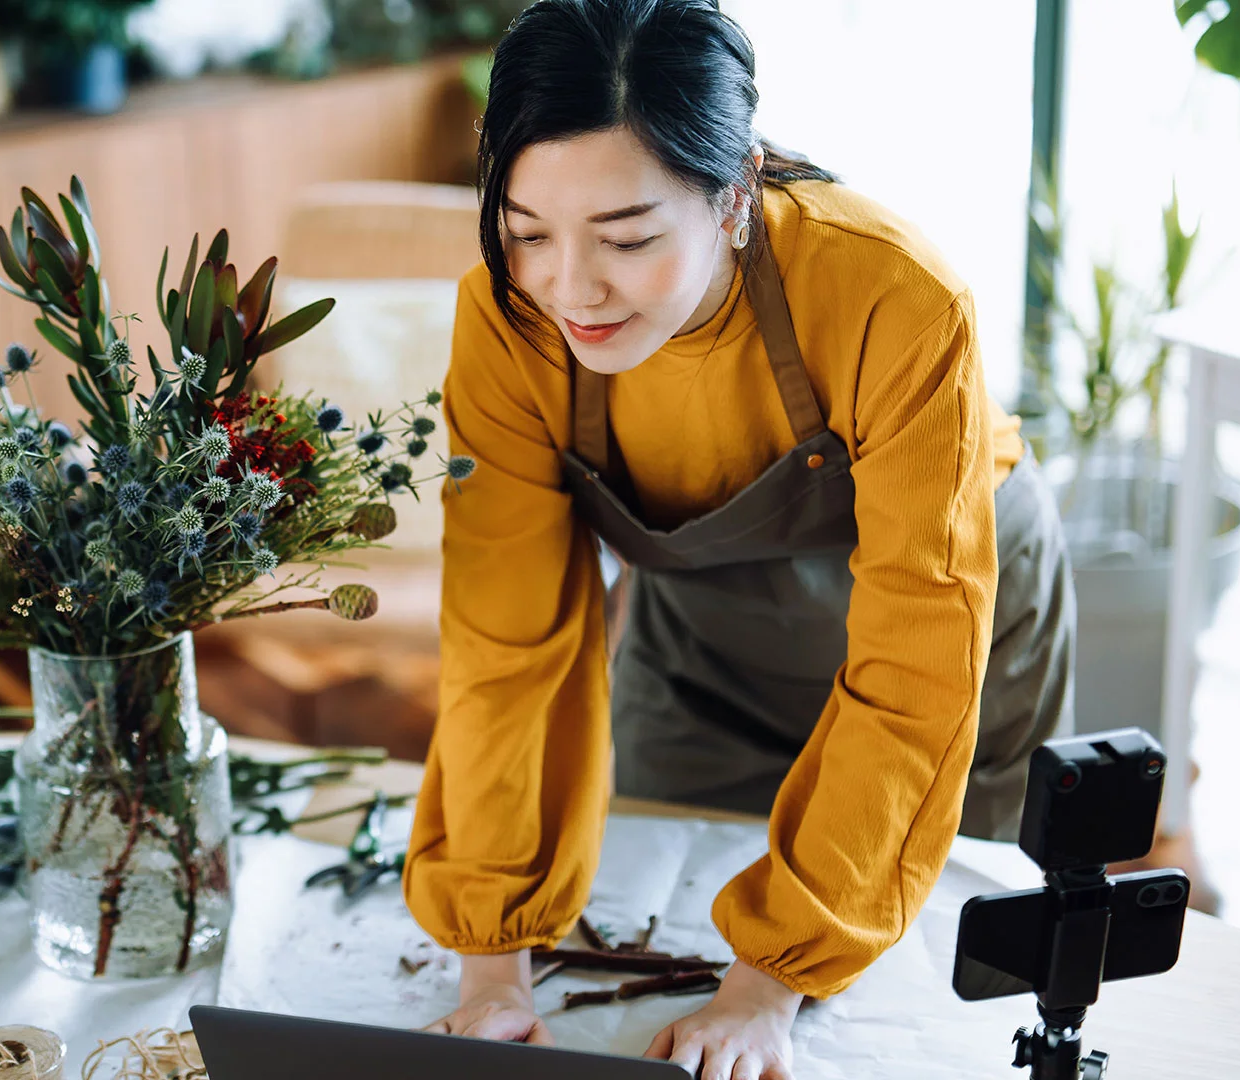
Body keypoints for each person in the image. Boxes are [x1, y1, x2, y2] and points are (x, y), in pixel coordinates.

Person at [405, 2, 1077, 1078]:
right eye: (529, 232)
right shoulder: (510, 318)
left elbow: (911, 670)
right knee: (657, 916)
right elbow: (505, 641)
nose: (571, 288)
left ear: (733, 196)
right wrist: (493, 963)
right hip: (705, 636)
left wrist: (767, 987)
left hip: (952, 630)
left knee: (938, 997)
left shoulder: (896, 295)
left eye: (627, 238)